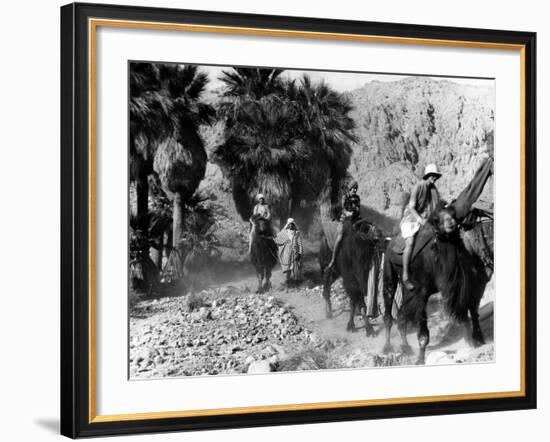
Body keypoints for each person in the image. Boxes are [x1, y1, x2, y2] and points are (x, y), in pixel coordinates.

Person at [400, 163, 442, 290]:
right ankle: (405, 276)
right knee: (411, 242)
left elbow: (436, 206)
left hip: (424, 220)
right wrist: (419, 219)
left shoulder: (434, 190)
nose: (434, 178)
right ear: (427, 175)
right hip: (411, 220)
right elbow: (411, 207)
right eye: (432, 176)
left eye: (435, 176)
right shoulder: (418, 187)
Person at [327, 181, 361, 271]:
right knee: (340, 237)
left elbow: (358, 209)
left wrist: (354, 212)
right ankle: (333, 260)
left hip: (355, 220)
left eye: (356, 188)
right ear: (349, 188)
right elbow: (343, 209)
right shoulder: (344, 197)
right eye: (353, 188)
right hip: (344, 221)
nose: (355, 190)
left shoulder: (357, 198)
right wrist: (348, 213)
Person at [274, 218, 303, 286]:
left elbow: (300, 244)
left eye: (292, 224)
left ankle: (297, 283)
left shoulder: (297, 233)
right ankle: (287, 282)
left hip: (295, 253)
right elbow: (277, 239)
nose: (291, 225)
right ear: (287, 225)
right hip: (286, 253)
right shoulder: (284, 232)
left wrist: (299, 253)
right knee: (287, 267)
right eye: (289, 224)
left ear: (294, 224)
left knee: (296, 268)